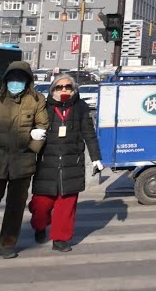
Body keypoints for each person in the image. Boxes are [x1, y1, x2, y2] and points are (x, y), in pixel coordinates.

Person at [0, 60, 48, 258]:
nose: (16, 82)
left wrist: (32, 149)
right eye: (13, 78)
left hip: (22, 161)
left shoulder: (37, 100)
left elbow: (43, 126)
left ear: (28, 81)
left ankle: (7, 244)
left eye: (21, 78)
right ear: (6, 79)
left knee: (15, 207)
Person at [28, 75, 101, 253]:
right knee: (41, 205)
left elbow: (89, 134)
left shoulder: (81, 108)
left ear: (74, 89)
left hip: (71, 163)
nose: (64, 90)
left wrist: (96, 158)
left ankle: (60, 239)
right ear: (52, 90)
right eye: (59, 87)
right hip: (47, 163)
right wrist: (32, 133)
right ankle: (40, 225)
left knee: (66, 205)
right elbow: (29, 126)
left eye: (68, 87)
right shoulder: (43, 107)